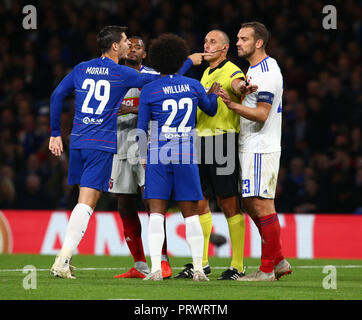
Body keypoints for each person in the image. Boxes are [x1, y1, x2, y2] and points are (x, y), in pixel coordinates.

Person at [48, 26, 196, 279]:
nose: (129, 44)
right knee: (87, 203)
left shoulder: (82, 68)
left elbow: (57, 94)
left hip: (78, 140)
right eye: (126, 40)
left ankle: (66, 258)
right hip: (101, 143)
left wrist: (54, 132)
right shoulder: (121, 73)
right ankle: (62, 260)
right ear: (115, 46)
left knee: (83, 200)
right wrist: (186, 65)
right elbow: (162, 81)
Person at [136, 33, 220, 281]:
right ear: (179, 58)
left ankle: (154, 270)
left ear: (157, 60)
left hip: (158, 154)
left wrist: (142, 156)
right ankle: (198, 269)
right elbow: (211, 109)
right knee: (191, 212)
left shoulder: (150, 89)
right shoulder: (193, 85)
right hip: (186, 154)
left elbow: (141, 128)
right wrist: (213, 93)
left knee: (156, 212)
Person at [218, 21, 292, 281]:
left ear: (259, 42)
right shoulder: (253, 69)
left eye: (243, 39)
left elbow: (262, 114)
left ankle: (267, 269)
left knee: (262, 205)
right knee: (249, 202)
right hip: (250, 146)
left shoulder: (268, 71)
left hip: (262, 146)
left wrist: (231, 105)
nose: (238, 42)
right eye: (238, 38)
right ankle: (279, 258)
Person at [175, 29, 250, 280]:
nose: (206, 45)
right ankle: (203, 263)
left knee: (228, 203)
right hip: (199, 142)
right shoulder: (205, 73)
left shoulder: (232, 70)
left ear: (224, 48)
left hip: (222, 140)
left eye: (212, 42)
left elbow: (239, 83)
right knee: (200, 202)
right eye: (205, 41)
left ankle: (237, 265)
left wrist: (243, 87)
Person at [110, 36, 172, 279]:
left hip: (145, 143)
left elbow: (162, 106)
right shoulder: (114, 74)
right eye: (130, 46)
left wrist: (133, 109)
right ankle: (139, 264)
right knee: (124, 202)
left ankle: (163, 260)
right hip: (118, 143)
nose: (133, 50)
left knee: (151, 202)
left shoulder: (153, 76)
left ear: (145, 54)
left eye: (138, 47)